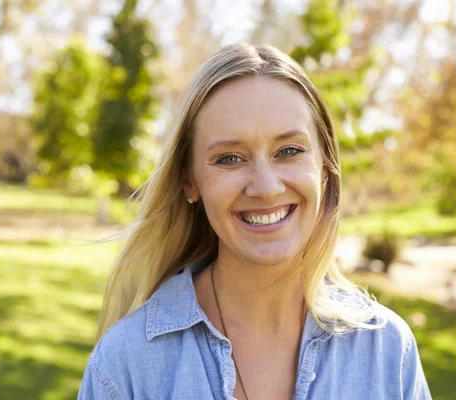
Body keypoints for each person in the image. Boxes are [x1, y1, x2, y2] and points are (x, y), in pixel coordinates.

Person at [78, 43, 432, 400]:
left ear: (324, 167)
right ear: (189, 180)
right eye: (230, 158)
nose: (266, 187)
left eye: (289, 151)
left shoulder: (387, 350)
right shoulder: (125, 366)